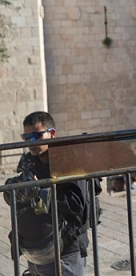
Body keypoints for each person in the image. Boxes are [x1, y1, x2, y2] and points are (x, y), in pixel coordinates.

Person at [3, 111, 88, 275]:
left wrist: (39, 193)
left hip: (65, 248)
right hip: (36, 249)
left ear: (52, 133)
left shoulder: (69, 160)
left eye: (36, 136)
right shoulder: (29, 161)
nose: (31, 142)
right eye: (27, 138)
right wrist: (16, 190)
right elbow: (20, 195)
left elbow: (76, 203)